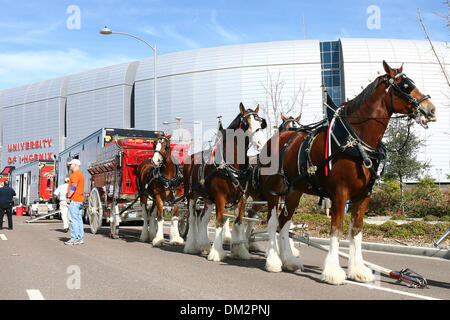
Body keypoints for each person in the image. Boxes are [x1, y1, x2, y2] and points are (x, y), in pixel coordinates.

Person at [65, 159, 85, 245]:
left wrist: (68, 196)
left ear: (76, 165)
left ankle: (74, 238)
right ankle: (80, 238)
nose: (70, 166)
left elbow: (73, 186)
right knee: (78, 220)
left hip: (75, 199)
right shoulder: (80, 173)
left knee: (73, 220)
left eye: (71, 164)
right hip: (80, 199)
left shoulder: (75, 174)